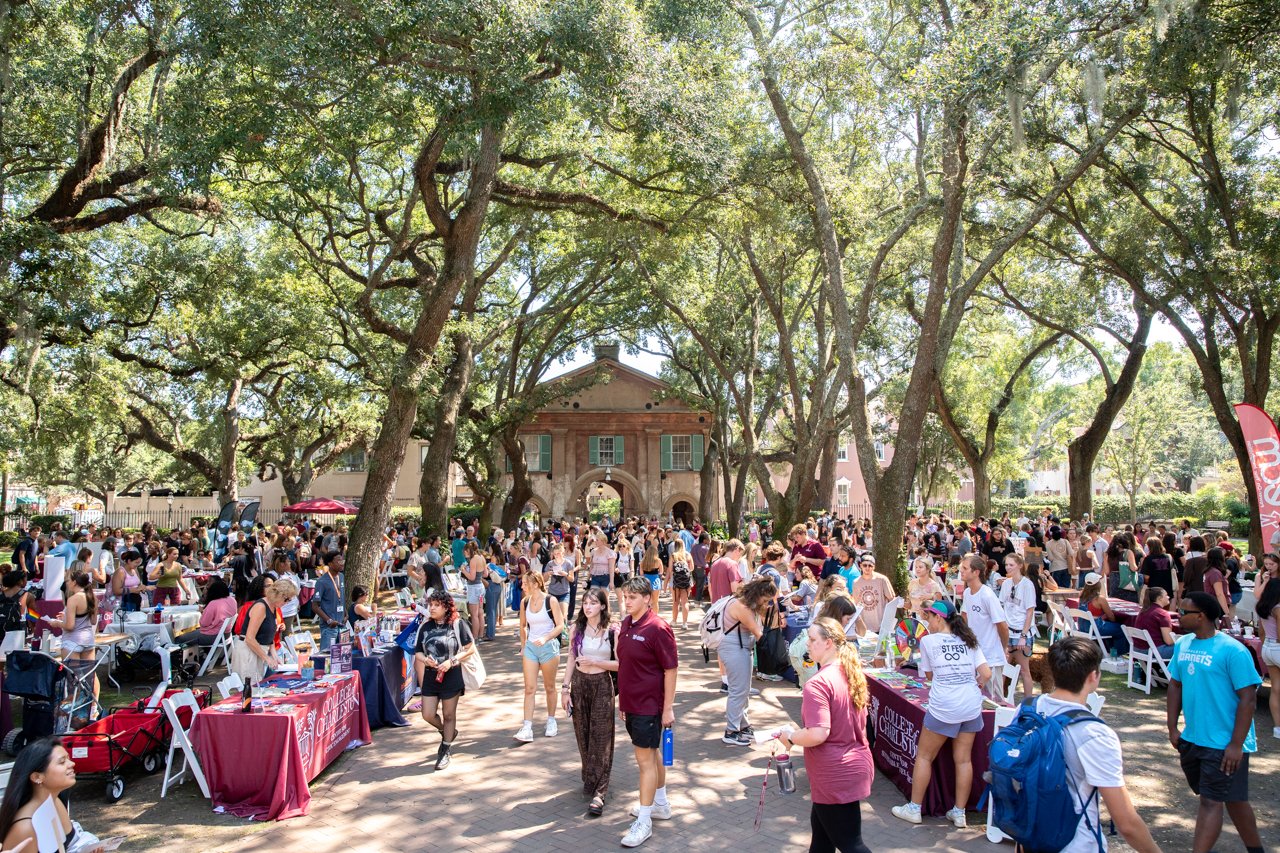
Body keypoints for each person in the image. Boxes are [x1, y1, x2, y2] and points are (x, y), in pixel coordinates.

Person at [1024, 638, 1164, 852]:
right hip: (1075, 842)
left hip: (1030, 834)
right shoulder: (1095, 734)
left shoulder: (1027, 709)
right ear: (1093, 676)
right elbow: (1126, 823)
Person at [1167, 591, 1264, 853]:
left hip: (1225, 743)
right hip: (1194, 738)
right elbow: (1175, 685)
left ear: (1201, 617)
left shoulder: (1233, 650)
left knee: (1211, 802)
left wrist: (1236, 744)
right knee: (1233, 799)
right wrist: (1172, 727)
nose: (1178, 614)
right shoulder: (1183, 644)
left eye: (1184, 612)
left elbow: (1248, 699)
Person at [777, 616, 874, 853]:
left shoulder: (818, 683)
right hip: (849, 766)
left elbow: (818, 733)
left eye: (812, 639)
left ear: (828, 642)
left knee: (851, 844)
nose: (807, 644)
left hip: (835, 772)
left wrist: (791, 736)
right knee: (822, 839)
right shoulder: (850, 673)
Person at [892, 600, 991, 829]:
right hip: (970, 705)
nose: (928, 622)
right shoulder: (969, 640)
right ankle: (959, 813)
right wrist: (972, 686)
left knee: (925, 756)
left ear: (939, 618)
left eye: (929, 617)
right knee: (963, 759)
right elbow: (985, 673)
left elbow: (928, 676)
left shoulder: (928, 641)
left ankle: (915, 808)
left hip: (944, 705)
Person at [615, 577, 677, 849]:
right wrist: (623, 703)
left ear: (647, 599)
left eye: (633, 597)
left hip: (649, 707)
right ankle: (660, 804)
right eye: (626, 596)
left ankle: (644, 820)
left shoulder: (658, 628)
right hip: (632, 704)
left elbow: (671, 670)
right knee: (651, 755)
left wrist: (667, 709)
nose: (627, 601)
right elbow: (627, 666)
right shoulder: (627, 624)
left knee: (644, 762)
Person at [562, 587, 619, 816]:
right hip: (579, 685)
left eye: (593, 602)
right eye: (585, 602)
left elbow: (621, 665)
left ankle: (600, 791)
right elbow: (570, 658)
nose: (588, 606)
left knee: (602, 737)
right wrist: (565, 689)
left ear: (603, 606)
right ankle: (590, 774)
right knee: (583, 734)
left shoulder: (613, 631)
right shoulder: (577, 628)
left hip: (603, 686)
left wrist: (597, 661)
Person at [0, 737, 106, 853]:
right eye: (62, 762)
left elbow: (70, 845)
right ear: (37, 777)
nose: (72, 763)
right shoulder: (25, 828)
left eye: (68, 758)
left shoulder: (55, 802)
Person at [412, 589, 476, 770]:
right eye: (430, 605)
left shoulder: (457, 624)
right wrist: (426, 660)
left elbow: (469, 648)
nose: (431, 608)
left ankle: (445, 749)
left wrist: (452, 661)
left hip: (452, 675)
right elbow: (417, 652)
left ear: (446, 607)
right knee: (427, 714)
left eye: (436, 605)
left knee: (449, 715)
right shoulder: (425, 626)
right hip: (432, 676)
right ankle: (447, 732)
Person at [720, 577, 777, 746]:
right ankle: (731, 731)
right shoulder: (742, 607)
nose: (766, 604)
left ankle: (742, 725)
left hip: (741, 648)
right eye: (765, 600)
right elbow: (757, 632)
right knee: (738, 690)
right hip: (735, 648)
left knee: (743, 689)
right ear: (758, 594)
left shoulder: (744, 602)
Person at [514, 572, 566, 742]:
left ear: (535, 584)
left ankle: (551, 720)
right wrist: (523, 646)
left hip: (548, 647)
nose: (522, 586)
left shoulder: (550, 601)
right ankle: (527, 726)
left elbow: (560, 626)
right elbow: (522, 626)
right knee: (529, 688)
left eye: (524, 583)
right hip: (530, 648)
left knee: (549, 686)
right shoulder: (525, 602)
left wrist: (546, 637)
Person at [46, 571, 99, 711]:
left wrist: (57, 623)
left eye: (68, 580)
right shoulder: (91, 596)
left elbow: (70, 626)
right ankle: (93, 708)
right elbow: (93, 620)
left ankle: (75, 712)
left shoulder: (73, 599)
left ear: (75, 582)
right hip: (88, 639)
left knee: (74, 678)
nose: (67, 583)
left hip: (72, 641)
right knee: (90, 675)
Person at [229, 577, 297, 684]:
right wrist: (267, 658)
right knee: (250, 687)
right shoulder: (261, 607)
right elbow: (250, 638)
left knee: (257, 685)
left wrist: (274, 655)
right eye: (286, 599)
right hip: (248, 652)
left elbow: (269, 635)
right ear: (278, 595)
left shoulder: (273, 606)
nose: (287, 602)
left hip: (258, 650)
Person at [960, 554, 1009, 695]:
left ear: (976, 572)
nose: (961, 571)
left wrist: (1003, 648)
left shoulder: (987, 595)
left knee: (994, 701)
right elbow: (965, 618)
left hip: (991, 658)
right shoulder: (967, 593)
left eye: (965, 568)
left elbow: (1003, 626)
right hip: (974, 655)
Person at [998, 554, 1037, 698]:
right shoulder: (1006, 584)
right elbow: (1002, 606)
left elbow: (1030, 611)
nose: (1008, 567)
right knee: (1002, 668)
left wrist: (1023, 635)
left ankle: (1028, 703)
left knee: (1024, 670)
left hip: (1021, 631)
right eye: (1006, 564)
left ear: (1020, 565)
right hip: (1008, 631)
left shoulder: (1027, 585)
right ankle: (999, 698)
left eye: (1011, 565)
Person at [1079, 572, 1130, 656]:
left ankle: (1109, 650)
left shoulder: (1081, 595)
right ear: (1097, 584)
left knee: (1112, 627)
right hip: (1095, 627)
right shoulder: (1099, 599)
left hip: (1083, 626)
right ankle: (1119, 654)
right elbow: (1111, 616)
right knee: (1121, 629)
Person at [1254, 573, 1280, 738]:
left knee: (1275, 688)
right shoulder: (1278, 608)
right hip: (1277, 646)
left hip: (1268, 648)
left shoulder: (1262, 607)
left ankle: (1278, 727)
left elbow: (1261, 632)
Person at [175, 579, 237, 647]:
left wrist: (203, 612)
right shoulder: (232, 600)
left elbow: (203, 623)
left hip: (213, 636)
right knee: (192, 633)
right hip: (226, 634)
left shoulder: (213, 603)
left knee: (178, 639)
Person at [1133, 586, 1177, 660]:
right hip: (1154, 651)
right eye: (1166, 595)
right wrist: (1181, 639)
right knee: (1186, 648)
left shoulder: (1144, 610)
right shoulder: (1162, 613)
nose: (1168, 597)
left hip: (1137, 649)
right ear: (1159, 598)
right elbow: (1169, 641)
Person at [313, 552, 345, 651]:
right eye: (338, 561)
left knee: (341, 657)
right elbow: (315, 606)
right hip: (329, 627)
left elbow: (341, 598)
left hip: (342, 625)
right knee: (326, 657)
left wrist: (345, 613)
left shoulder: (341, 576)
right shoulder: (322, 582)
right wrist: (329, 620)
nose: (342, 563)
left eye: (342, 560)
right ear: (330, 564)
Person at [462, 541, 487, 643]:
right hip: (481, 587)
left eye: (465, 552)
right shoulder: (482, 557)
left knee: (474, 614)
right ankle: (480, 636)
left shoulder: (473, 560)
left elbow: (471, 577)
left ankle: (475, 638)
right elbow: (485, 574)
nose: (464, 554)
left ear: (468, 550)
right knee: (480, 612)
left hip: (474, 588)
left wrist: (463, 570)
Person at [667, 538, 692, 629]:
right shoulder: (688, 555)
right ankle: (685, 623)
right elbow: (692, 568)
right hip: (686, 581)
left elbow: (670, 570)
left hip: (675, 581)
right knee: (685, 602)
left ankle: (674, 621)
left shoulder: (673, 556)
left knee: (675, 602)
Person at [0, 568, 30, 641]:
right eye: (26, 579)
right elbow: (33, 616)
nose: (27, 581)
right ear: (20, 581)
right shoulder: (27, 595)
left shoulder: (1, 594)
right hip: (17, 634)